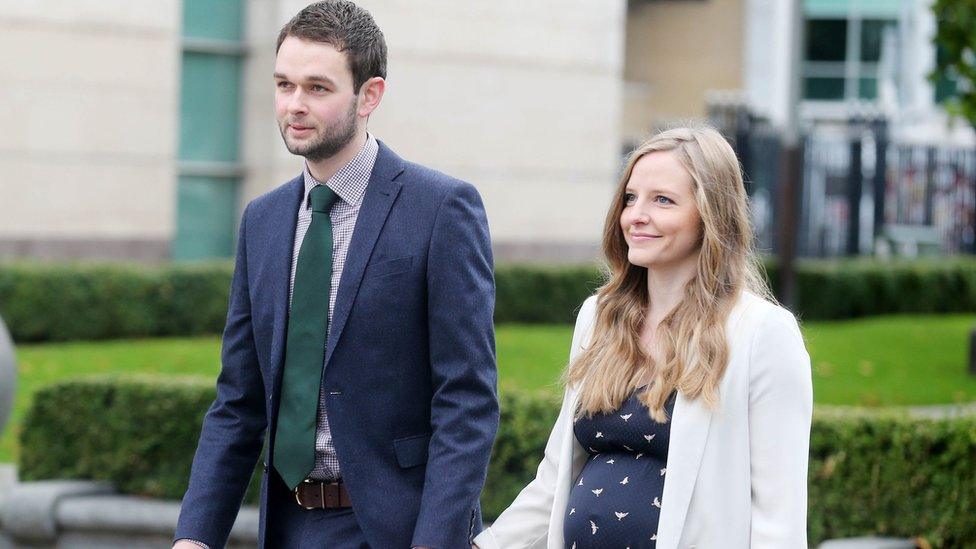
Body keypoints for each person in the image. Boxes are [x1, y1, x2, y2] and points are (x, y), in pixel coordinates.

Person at [172, 2, 498, 548]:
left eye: (317, 88)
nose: (294, 105)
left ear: (369, 95)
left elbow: (466, 402)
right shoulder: (263, 220)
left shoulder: (442, 209)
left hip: (397, 529)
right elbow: (238, 399)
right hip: (288, 525)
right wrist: (195, 536)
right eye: (284, 85)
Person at [473, 126, 813, 549]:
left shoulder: (761, 334)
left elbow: (778, 521)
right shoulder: (599, 317)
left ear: (711, 215)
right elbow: (554, 480)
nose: (636, 215)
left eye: (663, 200)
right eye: (631, 198)